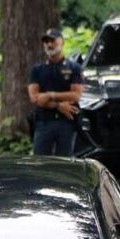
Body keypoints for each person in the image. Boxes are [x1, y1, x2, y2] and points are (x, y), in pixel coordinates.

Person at [28, 27, 84, 156]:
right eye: (46, 41)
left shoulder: (74, 67)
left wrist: (50, 95)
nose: (49, 44)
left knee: (65, 163)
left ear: (62, 42)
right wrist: (58, 105)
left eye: (52, 40)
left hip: (67, 122)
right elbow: (35, 98)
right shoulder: (37, 69)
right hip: (43, 122)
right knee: (40, 161)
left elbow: (76, 95)